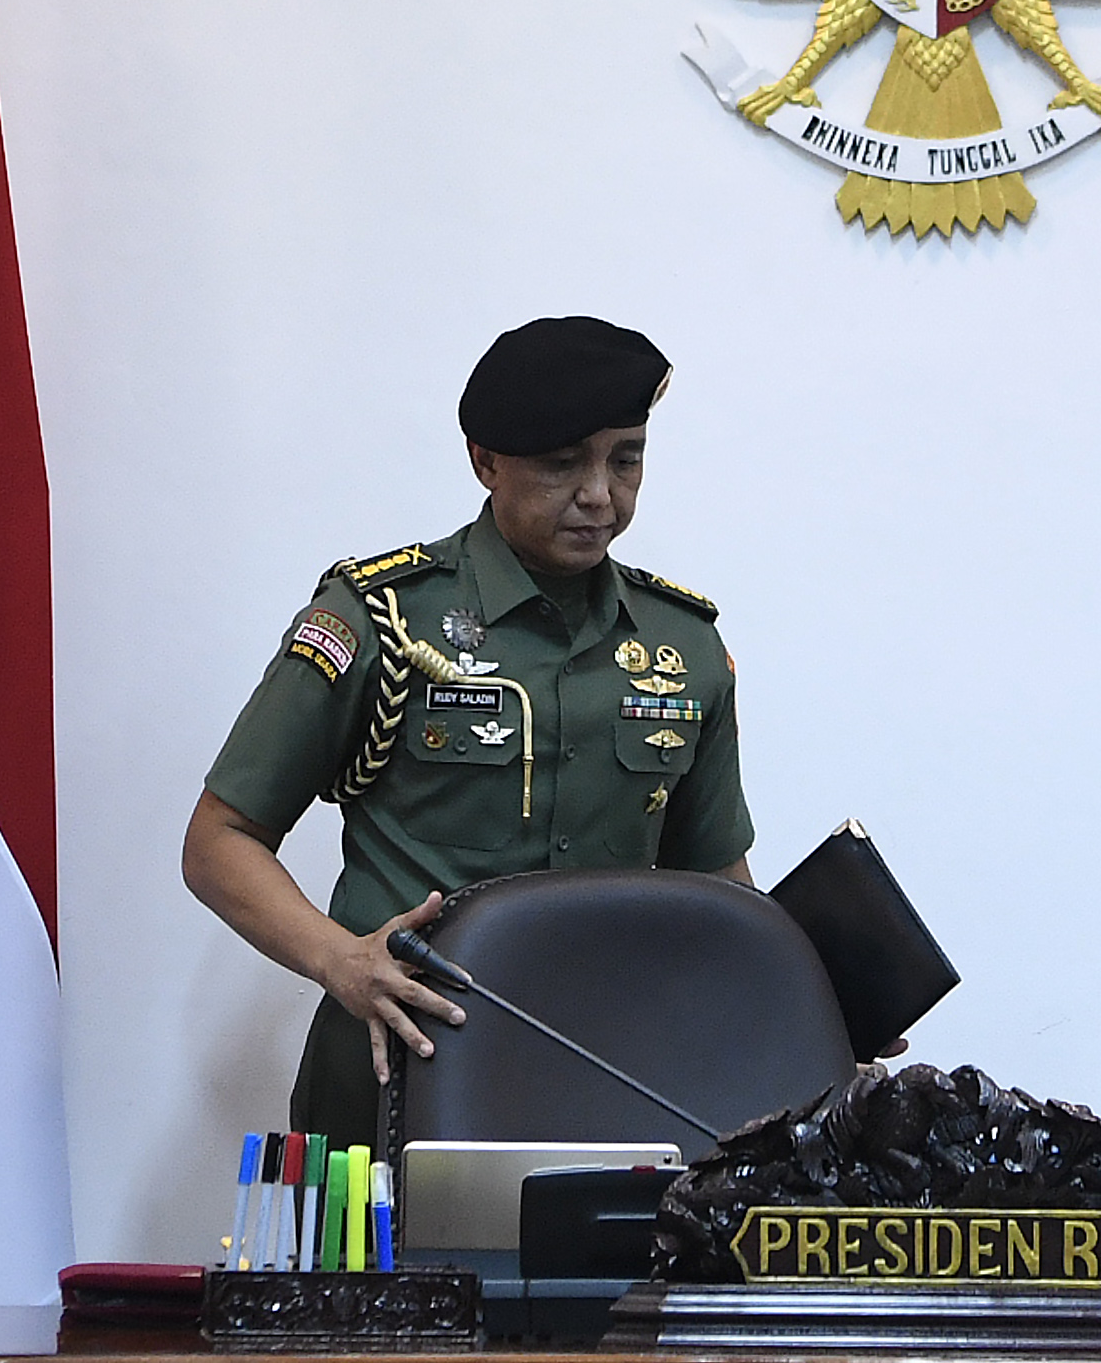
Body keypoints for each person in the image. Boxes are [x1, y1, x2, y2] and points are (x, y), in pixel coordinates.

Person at [183, 316, 755, 1152]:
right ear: (485, 460)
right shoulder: (378, 618)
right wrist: (339, 960)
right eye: (564, 462)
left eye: (625, 457)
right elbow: (218, 839)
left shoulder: (683, 647)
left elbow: (720, 887)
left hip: (610, 1076)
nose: (600, 493)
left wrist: (813, 1001)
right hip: (402, 1074)